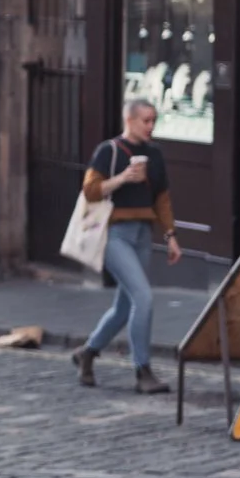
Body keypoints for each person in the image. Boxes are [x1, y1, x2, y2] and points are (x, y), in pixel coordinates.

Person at [71, 98, 184, 393]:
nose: (151, 126)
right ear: (130, 121)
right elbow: (90, 190)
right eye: (145, 121)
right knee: (143, 298)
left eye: (153, 121)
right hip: (114, 234)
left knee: (124, 307)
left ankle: (88, 353)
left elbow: (162, 198)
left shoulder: (155, 154)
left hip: (142, 235)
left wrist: (170, 235)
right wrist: (122, 178)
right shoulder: (108, 151)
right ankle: (142, 371)